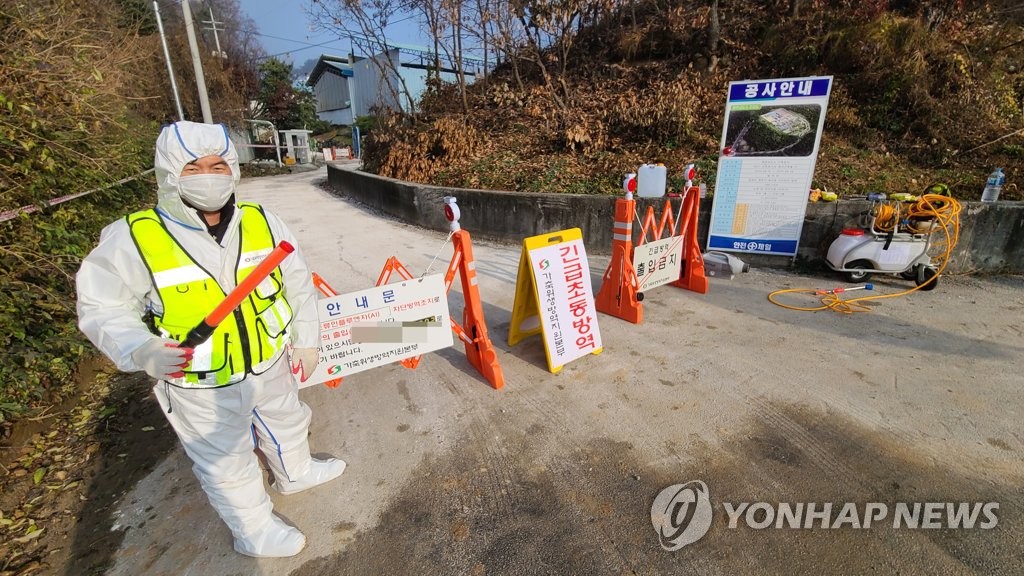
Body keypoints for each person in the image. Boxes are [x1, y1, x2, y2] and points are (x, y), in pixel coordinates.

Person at [76, 121, 344, 558]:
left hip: (268, 357)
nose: (209, 174)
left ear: (233, 169)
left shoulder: (262, 221)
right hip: (199, 379)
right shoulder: (135, 237)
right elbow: (101, 306)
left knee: (287, 418)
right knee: (226, 459)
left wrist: (307, 339)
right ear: (169, 173)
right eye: (194, 166)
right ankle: (253, 529)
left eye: (218, 164)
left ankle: (295, 471)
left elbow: (297, 284)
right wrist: (140, 349)